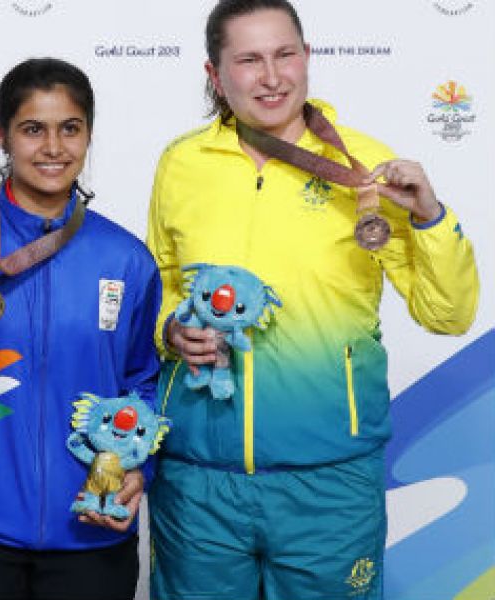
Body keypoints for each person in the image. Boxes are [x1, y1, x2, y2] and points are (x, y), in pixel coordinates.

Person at [145, 1, 479, 599]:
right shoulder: (182, 164)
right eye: (248, 60)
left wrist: (430, 216)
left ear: (307, 58)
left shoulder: (367, 167)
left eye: (284, 54)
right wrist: (171, 328)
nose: (271, 77)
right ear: (215, 75)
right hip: (198, 484)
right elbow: (162, 284)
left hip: (329, 483)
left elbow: (448, 313)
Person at [0, 57, 161, 600]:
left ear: (89, 134)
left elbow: (144, 382)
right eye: (33, 129)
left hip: (91, 534)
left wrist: (142, 468)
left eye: (71, 128)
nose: (54, 147)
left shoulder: (127, 258)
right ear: (3, 137)